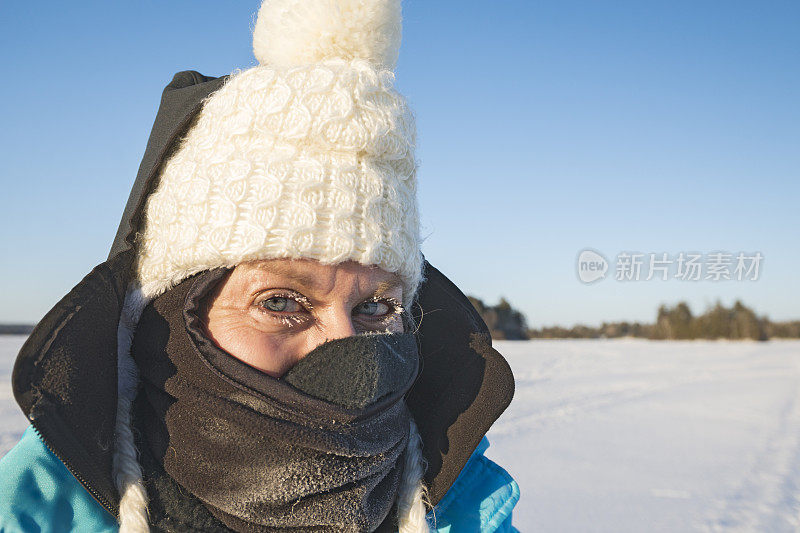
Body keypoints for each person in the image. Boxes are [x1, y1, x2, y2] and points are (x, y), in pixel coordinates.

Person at [0, 1, 520, 531]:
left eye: (376, 307)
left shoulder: (465, 509)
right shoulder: (38, 513)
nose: (348, 349)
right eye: (279, 302)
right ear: (167, 316)